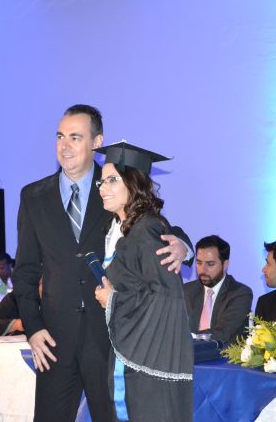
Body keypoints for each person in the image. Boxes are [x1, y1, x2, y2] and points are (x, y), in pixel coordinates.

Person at [13, 104, 192, 422]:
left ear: (97, 142)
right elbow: (25, 271)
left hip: (109, 339)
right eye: (60, 137)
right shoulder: (33, 196)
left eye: (75, 137)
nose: (65, 146)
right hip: (55, 338)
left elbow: (153, 223)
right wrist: (33, 327)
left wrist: (183, 245)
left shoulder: (116, 185)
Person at [94, 142, 194, 421]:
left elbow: (164, 297)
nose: (102, 188)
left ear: (133, 182)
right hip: (126, 355)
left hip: (148, 362)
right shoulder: (118, 224)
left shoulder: (146, 229)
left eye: (112, 180)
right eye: (101, 181)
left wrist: (112, 300)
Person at [183, 235, 253, 346]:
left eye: (210, 264)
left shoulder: (240, 293)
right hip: (188, 355)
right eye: (199, 262)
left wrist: (186, 339)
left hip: (222, 356)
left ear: (225, 264)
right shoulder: (186, 291)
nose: (203, 269)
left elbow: (222, 332)